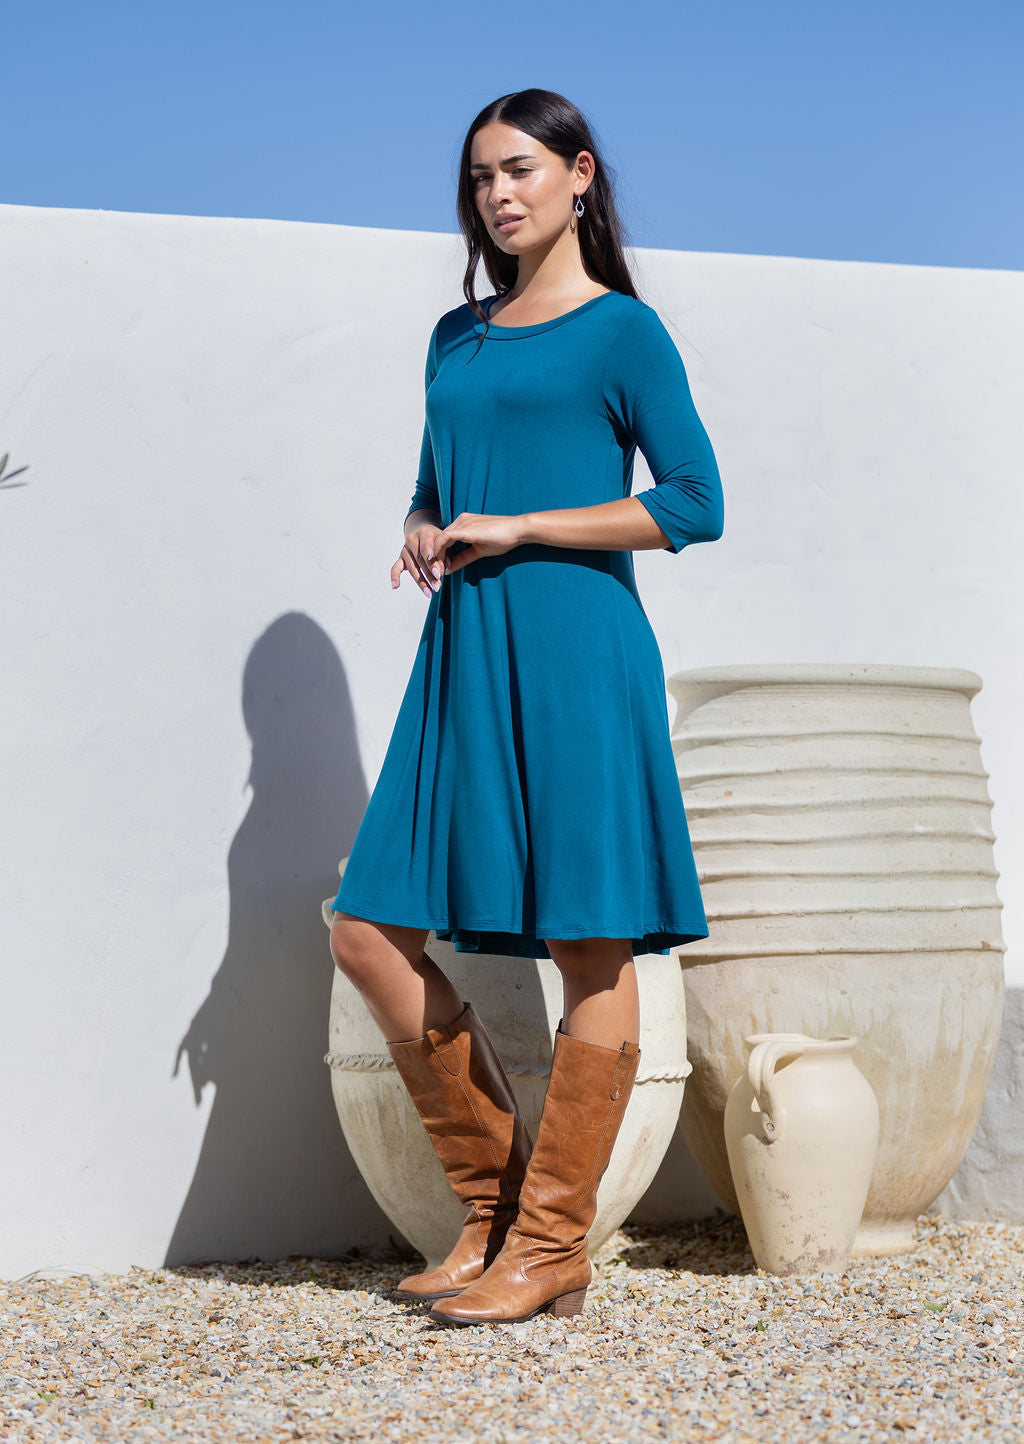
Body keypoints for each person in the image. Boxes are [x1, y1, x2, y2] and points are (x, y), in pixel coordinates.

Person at [328, 87, 723, 1327]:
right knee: (368, 928)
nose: (499, 194)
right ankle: (494, 1208)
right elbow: (435, 475)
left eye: (520, 170)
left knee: (584, 940)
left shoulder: (623, 335)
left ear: (580, 177)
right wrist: (420, 522)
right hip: (464, 650)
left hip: (572, 650)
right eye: (480, 178)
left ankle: (550, 1244)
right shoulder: (457, 336)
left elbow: (694, 502)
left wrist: (527, 525)